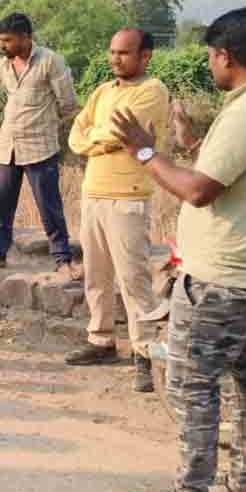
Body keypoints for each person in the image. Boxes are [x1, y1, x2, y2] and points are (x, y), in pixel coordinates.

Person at [112, 7, 246, 492]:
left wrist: (146, 151)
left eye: (210, 55)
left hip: (225, 275)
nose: (210, 64)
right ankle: (241, 489)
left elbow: (199, 190)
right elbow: (237, 175)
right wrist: (193, 143)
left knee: (191, 385)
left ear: (226, 56)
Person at [66, 29, 170, 392]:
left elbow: (121, 134)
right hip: (93, 193)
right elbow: (77, 134)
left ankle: (145, 353)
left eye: (124, 53)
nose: (115, 59)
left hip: (128, 196)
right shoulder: (103, 91)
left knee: (133, 279)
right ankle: (101, 340)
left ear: (145, 57)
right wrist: (98, 141)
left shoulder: (152, 91)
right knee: (96, 274)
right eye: (112, 52)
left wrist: (96, 139)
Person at [0, 13, 81, 280]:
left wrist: (43, 122)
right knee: (3, 204)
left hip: (39, 146)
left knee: (49, 206)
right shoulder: (3, 65)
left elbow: (68, 104)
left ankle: (62, 259)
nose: (3, 46)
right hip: (7, 145)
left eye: (8, 40)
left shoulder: (51, 62)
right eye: (0, 40)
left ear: (26, 37)